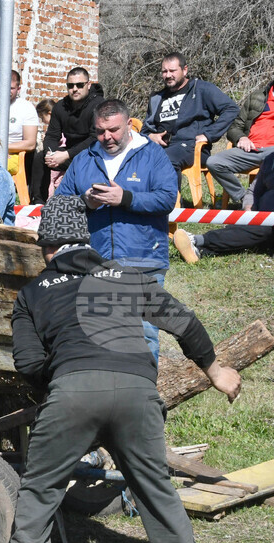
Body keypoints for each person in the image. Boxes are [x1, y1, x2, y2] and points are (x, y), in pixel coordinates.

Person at [8, 194, 240, 543]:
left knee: (41, 488)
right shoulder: (123, 275)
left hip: (72, 393)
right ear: (85, 240)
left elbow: (27, 364)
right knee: (154, 489)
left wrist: (65, 374)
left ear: (48, 248)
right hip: (136, 391)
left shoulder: (32, 293)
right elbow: (182, 322)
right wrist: (216, 372)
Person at [54, 99, 177, 360]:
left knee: (144, 335)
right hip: (97, 262)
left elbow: (167, 198)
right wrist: (84, 201)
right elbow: (59, 204)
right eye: (100, 131)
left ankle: (144, 398)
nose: (107, 137)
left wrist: (126, 198)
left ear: (129, 124)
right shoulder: (85, 158)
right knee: (100, 337)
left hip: (143, 261)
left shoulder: (152, 154)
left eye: (114, 130)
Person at [141, 52, 238, 179]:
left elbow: (231, 109)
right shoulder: (157, 98)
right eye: (164, 71)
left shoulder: (201, 89)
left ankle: (171, 199)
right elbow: (145, 129)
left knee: (165, 161)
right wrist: (151, 136)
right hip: (161, 147)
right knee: (131, 162)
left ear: (184, 70)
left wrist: (209, 135)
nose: (168, 75)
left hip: (191, 146)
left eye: (172, 71)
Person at [175, 153, 274, 263]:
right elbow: (253, 191)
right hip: (259, 216)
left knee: (261, 229)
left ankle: (197, 240)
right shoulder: (270, 160)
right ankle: (199, 251)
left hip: (268, 223)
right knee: (244, 231)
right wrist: (248, 207)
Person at [30, 67, 103, 204]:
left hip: (93, 155)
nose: (75, 89)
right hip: (70, 154)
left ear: (88, 85)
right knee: (41, 158)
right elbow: (52, 135)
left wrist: (66, 154)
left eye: (79, 85)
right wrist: (50, 154)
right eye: (70, 85)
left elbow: (95, 139)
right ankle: (38, 203)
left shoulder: (98, 105)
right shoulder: (60, 107)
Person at [203, 76, 274, 209]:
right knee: (214, 162)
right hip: (250, 149)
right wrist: (241, 138)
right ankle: (244, 198)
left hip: (272, 152)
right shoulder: (257, 97)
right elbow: (235, 127)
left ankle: (263, 202)